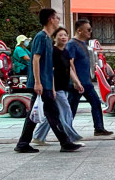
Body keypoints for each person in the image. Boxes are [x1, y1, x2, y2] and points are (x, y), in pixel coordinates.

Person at [14, 8, 82, 153]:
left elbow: (49, 67)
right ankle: (65, 142)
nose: (58, 20)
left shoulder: (47, 38)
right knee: (51, 114)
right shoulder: (41, 37)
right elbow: (36, 60)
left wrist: (51, 86)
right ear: (51, 19)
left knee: (37, 114)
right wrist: (38, 82)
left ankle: (23, 143)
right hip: (41, 83)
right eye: (57, 17)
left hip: (46, 83)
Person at [32, 27, 82, 145]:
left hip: (63, 87)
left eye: (65, 35)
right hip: (56, 88)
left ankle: (38, 137)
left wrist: (77, 82)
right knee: (66, 111)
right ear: (54, 38)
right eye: (60, 35)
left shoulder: (65, 51)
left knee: (52, 115)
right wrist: (52, 89)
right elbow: (51, 72)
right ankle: (71, 138)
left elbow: (69, 68)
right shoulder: (53, 52)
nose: (63, 37)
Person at [66, 19, 113, 137]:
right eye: (88, 29)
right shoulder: (72, 44)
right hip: (77, 83)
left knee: (96, 103)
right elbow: (69, 63)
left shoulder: (83, 44)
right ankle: (66, 131)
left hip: (86, 82)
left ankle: (99, 128)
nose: (90, 32)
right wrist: (75, 80)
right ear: (79, 30)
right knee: (71, 108)